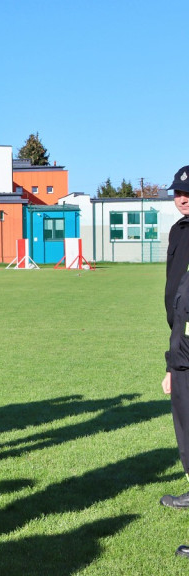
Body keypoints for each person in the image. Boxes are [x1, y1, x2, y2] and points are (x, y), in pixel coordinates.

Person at [160, 165, 189, 524]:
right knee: (184, 421)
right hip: (182, 342)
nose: (182, 198)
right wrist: (171, 359)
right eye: (178, 193)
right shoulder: (178, 231)